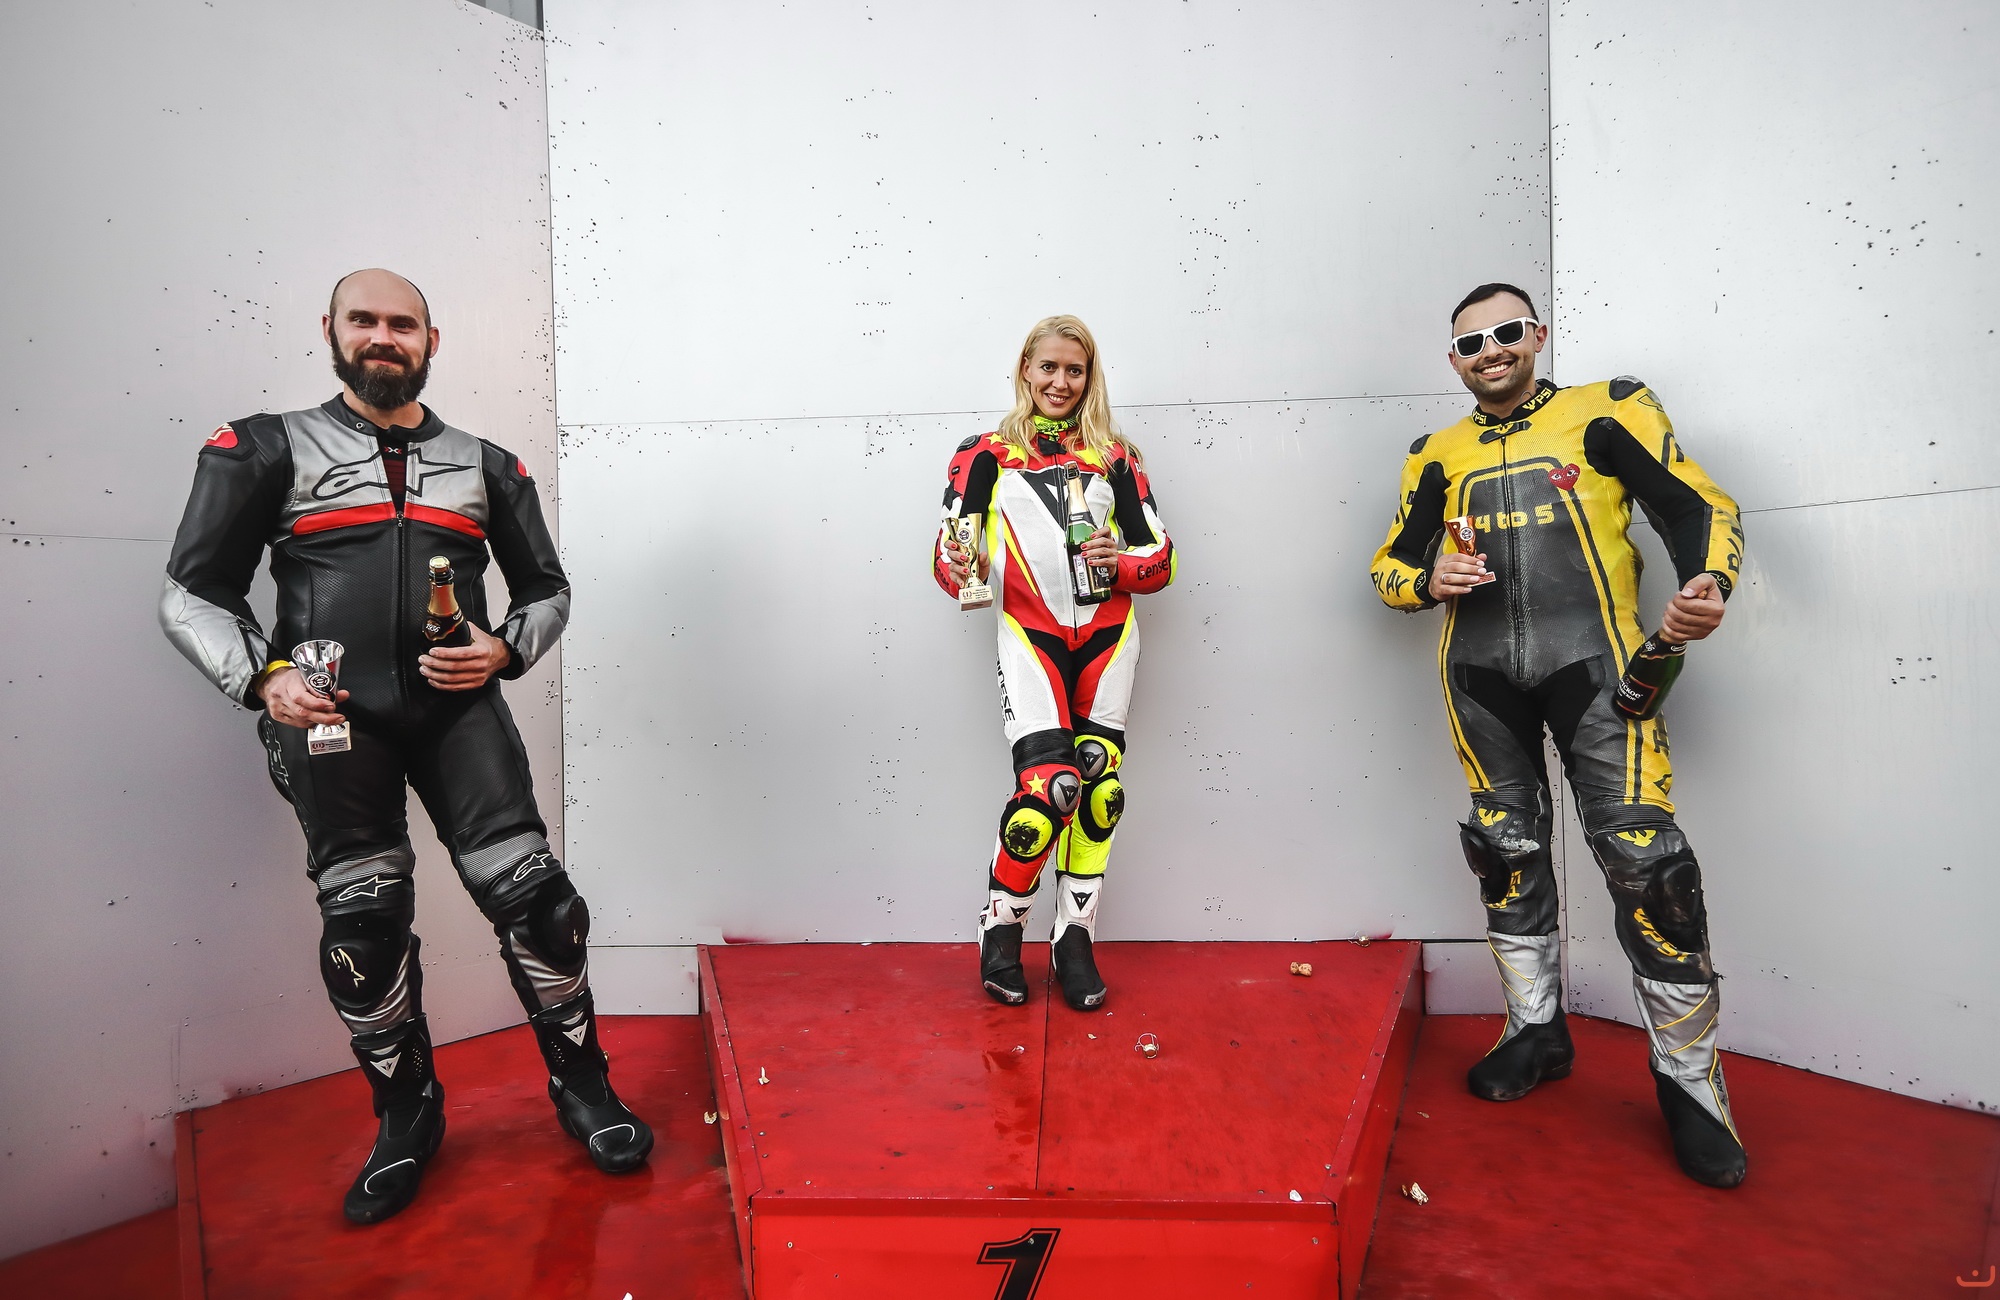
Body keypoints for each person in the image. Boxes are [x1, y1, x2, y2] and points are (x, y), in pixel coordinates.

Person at [159, 269, 651, 1225]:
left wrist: (504, 649)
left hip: (459, 715)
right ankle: (407, 1117)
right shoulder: (261, 447)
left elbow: (547, 589)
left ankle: (585, 1087)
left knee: (543, 908)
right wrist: (263, 678)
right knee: (363, 934)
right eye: (365, 321)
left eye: (403, 323)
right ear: (332, 330)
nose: (383, 337)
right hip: (331, 723)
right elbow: (191, 590)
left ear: (431, 340)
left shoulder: (490, 465)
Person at [1368, 282, 1748, 1188]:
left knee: (1652, 870)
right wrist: (1425, 580)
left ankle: (1691, 1084)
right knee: (1505, 853)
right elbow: (1389, 566)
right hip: (1479, 680)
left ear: (1536, 335)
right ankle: (1535, 1031)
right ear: (1453, 359)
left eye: (1506, 332)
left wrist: (1707, 582)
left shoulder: (1607, 409)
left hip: (1598, 675)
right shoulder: (1434, 453)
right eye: (1471, 343)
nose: (1490, 351)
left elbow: (1697, 505)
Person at [933, 316, 1175, 1011]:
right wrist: (961, 564)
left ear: (1089, 377)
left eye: (1075, 370)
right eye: (1049, 367)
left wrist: (1120, 561)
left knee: (1100, 791)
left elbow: (1161, 560)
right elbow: (948, 560)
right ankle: (1002, 931)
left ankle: (1075, 941)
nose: (1061, 382)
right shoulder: (985, 453)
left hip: (1109, 637)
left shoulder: (1117, 456)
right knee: (1048, 793)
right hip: (1030, 634)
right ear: (1025, 369)